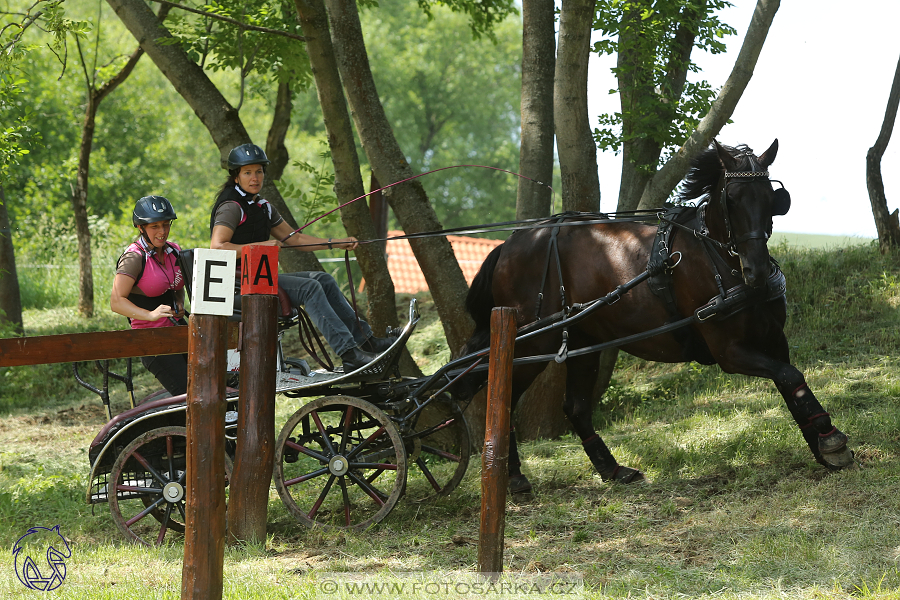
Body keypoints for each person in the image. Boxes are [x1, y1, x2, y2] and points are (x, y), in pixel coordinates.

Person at [209, 143, 395, 373]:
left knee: (323, 280)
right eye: (247, 172)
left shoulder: (263, 206)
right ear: (236, 177)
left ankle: (368, 341)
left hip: (259, 279)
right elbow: (217, 247)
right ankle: (349, 354)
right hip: (237, 286)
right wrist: (259, 245)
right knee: (309, 288)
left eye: (259, 171)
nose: (255, 177)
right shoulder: (231, 206)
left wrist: (335, 243)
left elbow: (294, 239)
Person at [110, 196, 188, 397]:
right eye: (154, 226)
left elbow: (177, 283)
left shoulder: (174, 251)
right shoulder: (134, 258)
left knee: (210, 382)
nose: (162, 232)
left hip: (179, 331)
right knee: (189, 394)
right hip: (152, 341)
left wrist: (179, 300)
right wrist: (150, 315)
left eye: (165, 224)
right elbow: (116, 301)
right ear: (140, 227)